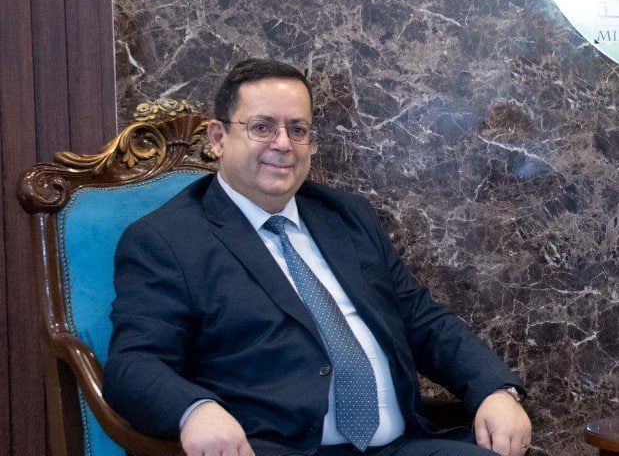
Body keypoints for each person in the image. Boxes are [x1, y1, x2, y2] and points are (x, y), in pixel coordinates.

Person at [103, 58, 532, 456]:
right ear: (218, 138)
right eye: (262, 127)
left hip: (401, 444)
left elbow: (419, 318)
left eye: (298, 129)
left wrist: (494, 389)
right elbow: (134, 363)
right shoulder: (165, 240)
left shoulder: (346, 216)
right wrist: (195, 411)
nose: (283, 144)